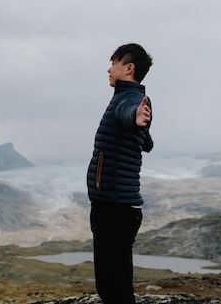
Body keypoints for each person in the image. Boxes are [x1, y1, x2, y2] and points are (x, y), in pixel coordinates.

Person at [86, 43, 154, 304]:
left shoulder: (129, 100)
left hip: (116, 208)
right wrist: (140, 127)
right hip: (112, 205)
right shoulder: (129, 98)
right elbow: (144, 140)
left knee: (116, 289)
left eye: (113, 63)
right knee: (109, 285)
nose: (109, 68)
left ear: (128, 68)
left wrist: (135, 118)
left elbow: (129, 116)